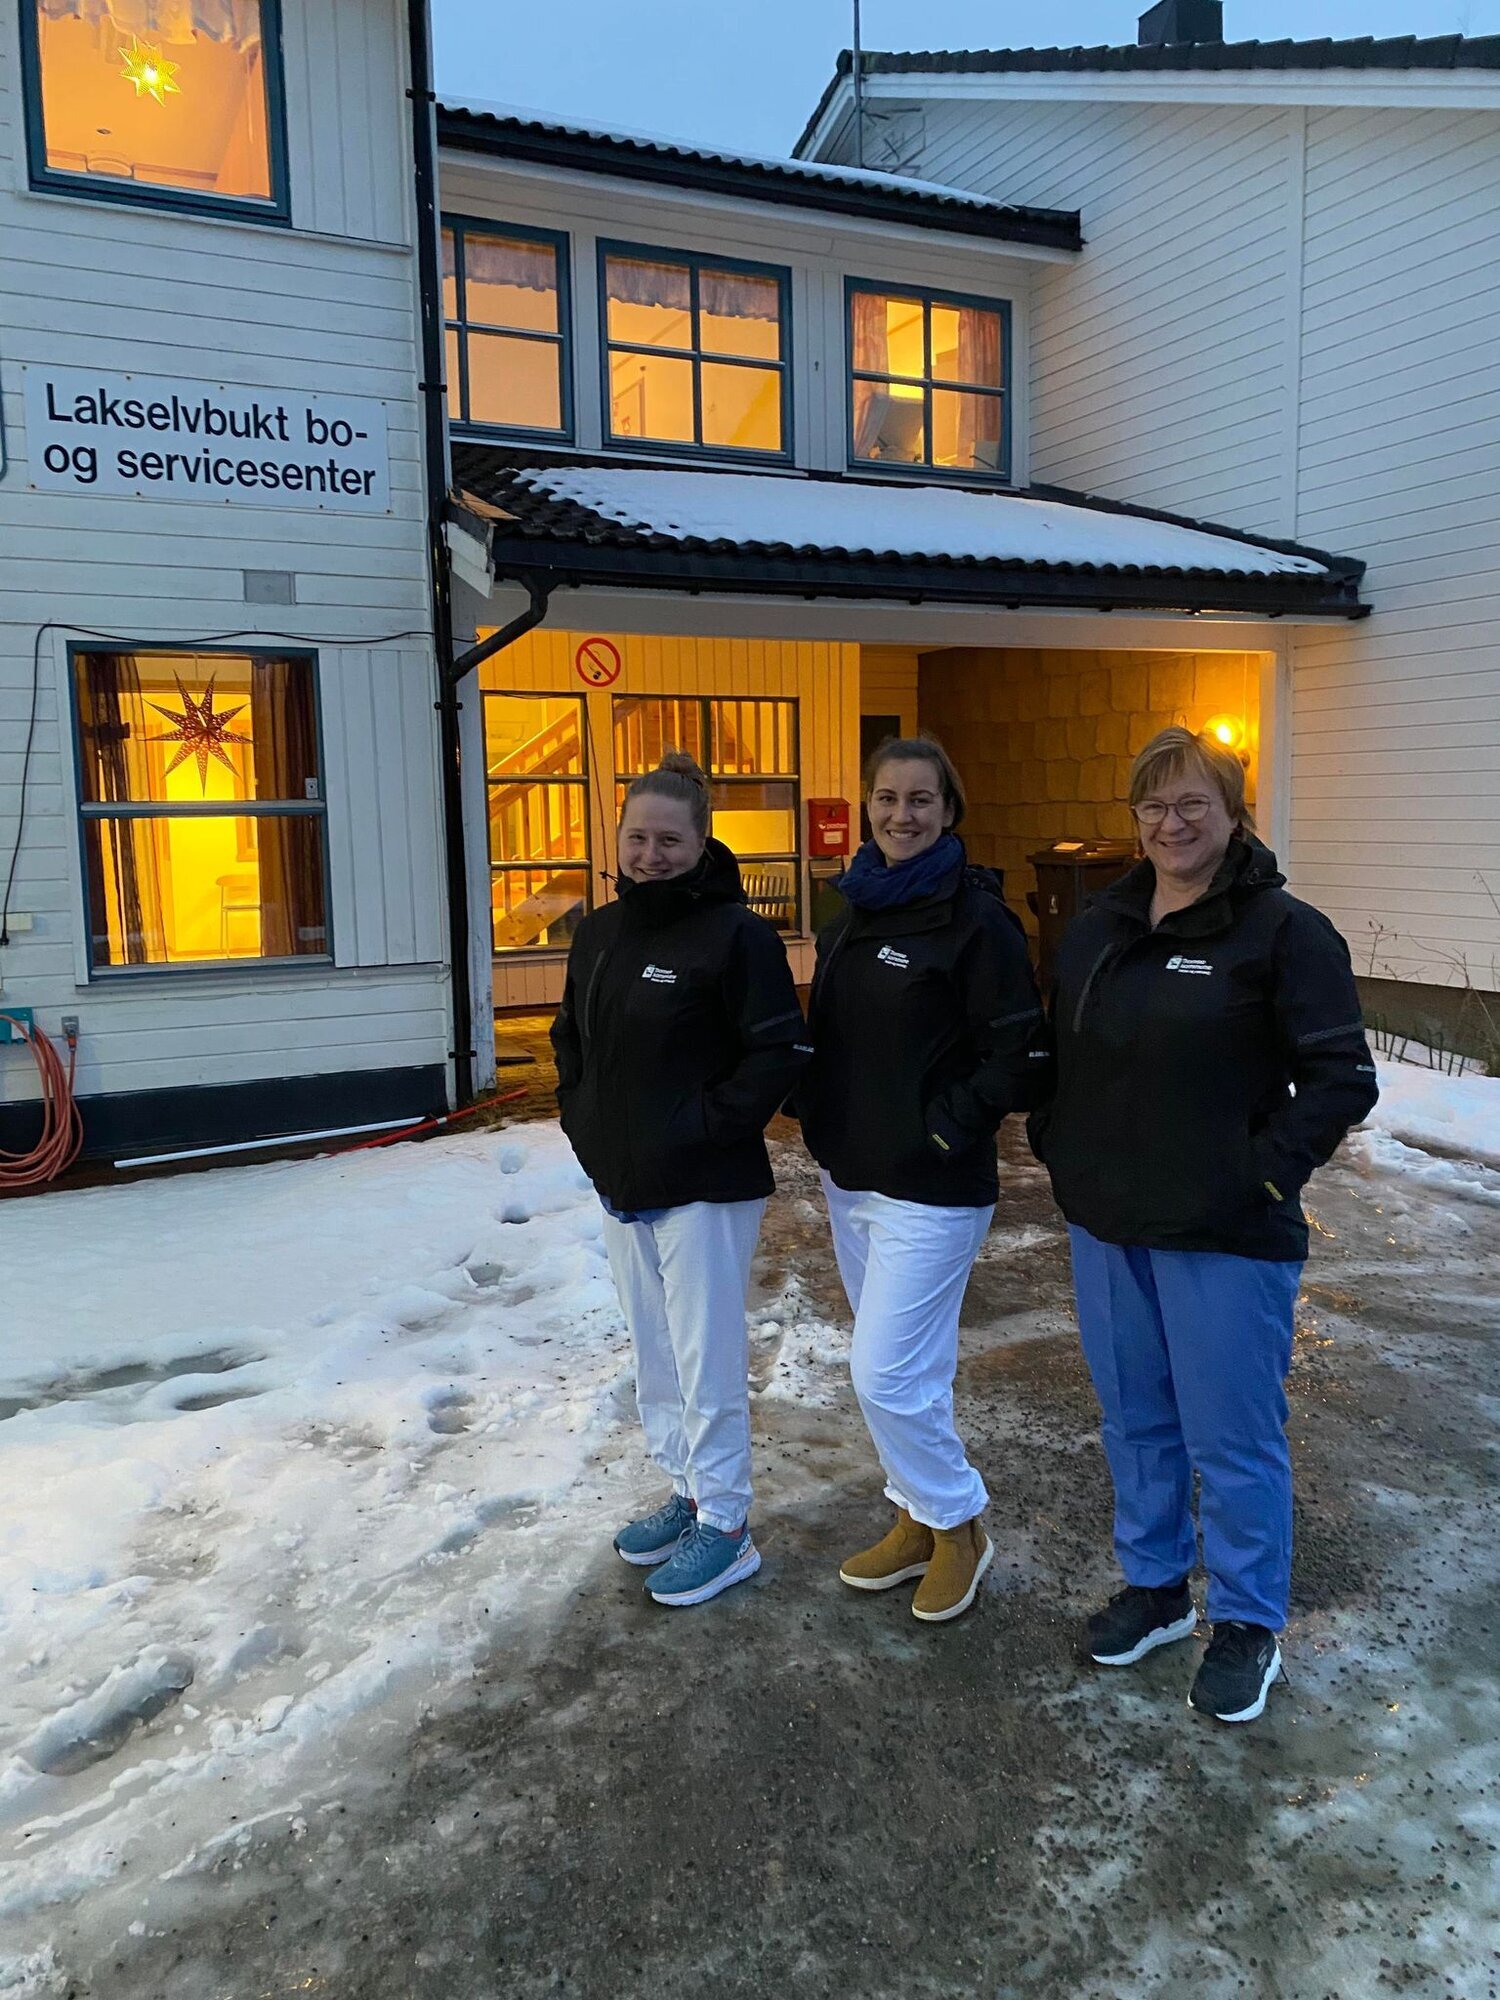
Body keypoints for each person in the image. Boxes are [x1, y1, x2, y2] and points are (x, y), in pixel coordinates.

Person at [1030, 725, 1378, 1723]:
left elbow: (1342, 1077)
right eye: (1153, 805)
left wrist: (1260, 1178)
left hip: (1226, 1230)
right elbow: (1066, 1052)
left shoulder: (1283, 932)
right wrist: (1060, 1141)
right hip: (1109, 1220)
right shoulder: (1103, 925)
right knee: (1136, 1415)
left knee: (1231, 1433)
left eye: (1193, 804)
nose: (1171, 822)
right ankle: (1154, 1586)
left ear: (1234, 815)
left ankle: (1247, 1619)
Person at [796, 735, 1052, 1623]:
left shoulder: (976, 922)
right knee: (918, 1373)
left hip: (932, 1193)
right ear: (867, 807)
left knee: (883, 1376)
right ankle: (913, 1518)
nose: (901, 815)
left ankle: (960, 1520)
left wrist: (944, 1128)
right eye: (886, 798)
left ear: (950, 812)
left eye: (920, 800)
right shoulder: (853, 911)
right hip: (853, 1181)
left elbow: (1020, 1053)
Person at [551, 752, 809, 1609]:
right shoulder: (599, 933)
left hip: (704, 1186)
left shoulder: (737, 937)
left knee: (705, 1360)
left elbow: (776, 1053)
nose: (650, 854)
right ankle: (689, 1490)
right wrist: (585, 1126)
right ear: (617, 836)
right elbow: (570, 1042)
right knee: (654, 1355)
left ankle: (728, 1525)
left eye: (670, 839)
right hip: (623, 1180)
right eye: (637, 836)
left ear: (701, 843)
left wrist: (701, 1127)